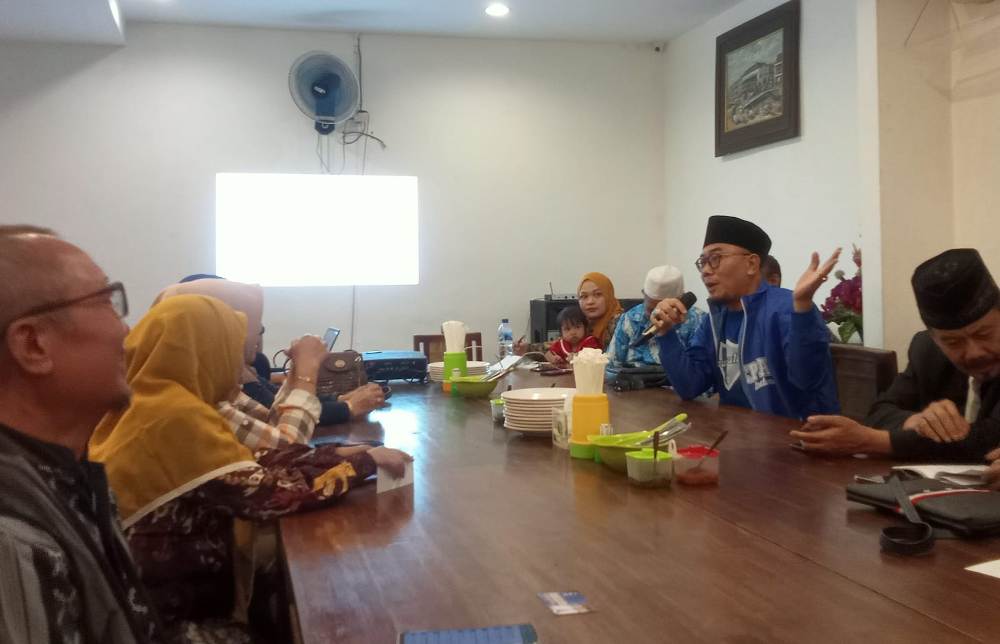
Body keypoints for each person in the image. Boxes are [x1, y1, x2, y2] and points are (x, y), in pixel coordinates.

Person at [88, 294, 412, 638]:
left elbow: (253, 464)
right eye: (231, 347)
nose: (241, 362)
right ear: (205, 350)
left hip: (159, 598)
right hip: (169, 621)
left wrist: (336, 455)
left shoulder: (156, 399)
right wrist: (362, 462)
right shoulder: (173, 415)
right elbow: (270, 494)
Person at [0, 227, 165, 643]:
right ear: (33, 345)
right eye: (107, 301)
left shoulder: (64, 471)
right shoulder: (13, 537)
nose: (125, 332)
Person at [791, 248, 1000, 467]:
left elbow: (990, 437)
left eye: (984, 334)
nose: (975, 352)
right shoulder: (926, 350)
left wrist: (871, 441)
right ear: (935, 338)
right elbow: (880, 412)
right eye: (953, 342)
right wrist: (916, 421)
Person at [650, 215, 841, 419]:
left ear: (751, 264)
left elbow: (807, 379)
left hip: (793, 434)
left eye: (715, 259)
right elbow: (689, 386)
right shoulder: (714, 320)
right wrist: (666, 333)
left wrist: (803, 307)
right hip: (737, 431)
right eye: (702, 262)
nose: (705, 271)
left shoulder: (786, 309)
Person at [162, 277, 385, 431]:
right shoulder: (189, 404)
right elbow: (284, 442)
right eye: (248, 325)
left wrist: (335, 398)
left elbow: (274, 415)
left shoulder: (219, 383)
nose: (257, 335)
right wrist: (308, 372)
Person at [608, 264, 707, 367]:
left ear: (680, 301)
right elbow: (611, 366)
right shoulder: (630, 319)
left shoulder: (699, 322)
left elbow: (698, 372)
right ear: (644, 294)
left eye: (664, 310)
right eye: (651, 309)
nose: (655, 316)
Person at [577, 272, 624, 350]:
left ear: (609, 296)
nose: (590, 302)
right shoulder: (579, 325)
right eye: (584, 296)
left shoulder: (623, 324)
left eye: (598, 294)